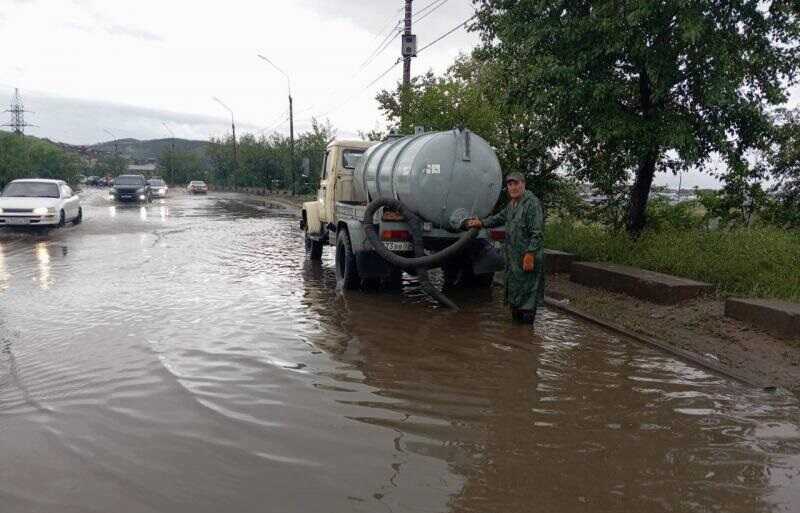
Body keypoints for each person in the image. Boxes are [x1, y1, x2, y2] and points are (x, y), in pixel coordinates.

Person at [465, 172, 545, 324]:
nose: (513, 187)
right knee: (515, 296)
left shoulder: (532, 204)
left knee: (528, 298)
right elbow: (499, 218)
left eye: (516, 184)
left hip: (527, 258)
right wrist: (481, 222)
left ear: (523, 184)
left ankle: (526, 336)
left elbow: (537, 233)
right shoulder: (512, 204)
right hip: (514, 259)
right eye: (510, 184)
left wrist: (530, 254)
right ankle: (517, 338)